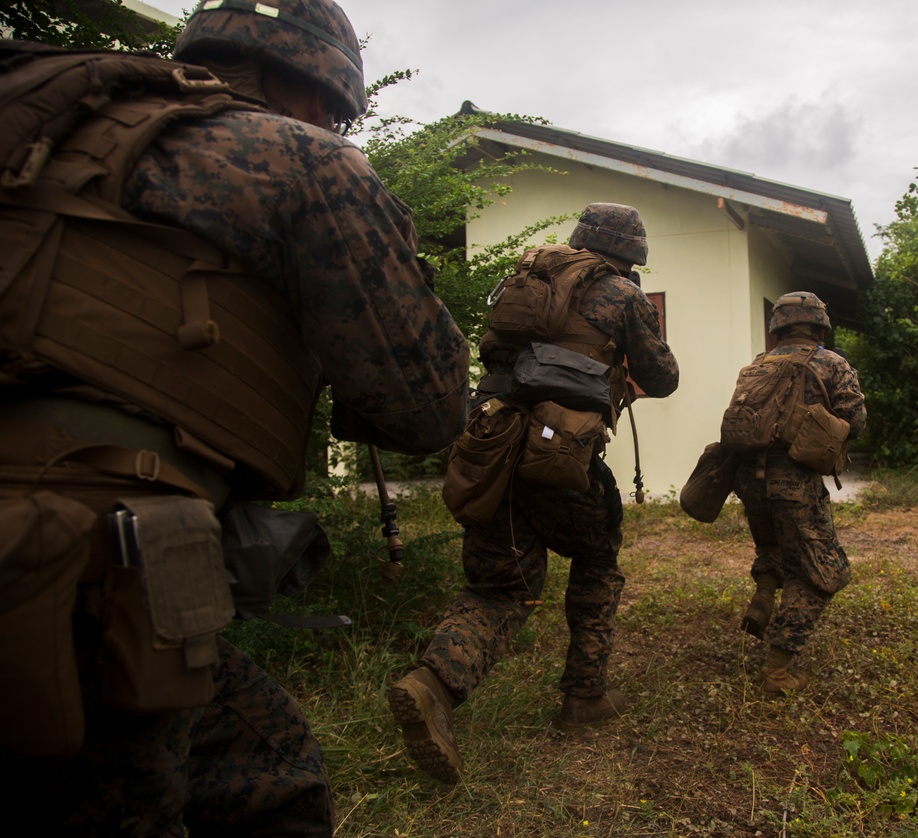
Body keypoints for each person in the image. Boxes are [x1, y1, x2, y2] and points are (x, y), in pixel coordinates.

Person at [0, 0, 469, 834]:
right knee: (256, 793)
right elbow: (424, 405)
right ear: (308, 85)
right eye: (335, 109)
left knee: (264, 765)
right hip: (95, 559)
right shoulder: (299, 158)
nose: (333, 124)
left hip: (52, 553)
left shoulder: (47, 141)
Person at [388, 203, 679, 784]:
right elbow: (665, 377)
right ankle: (583, 696)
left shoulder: (526, 278)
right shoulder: (620, 294)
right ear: (632, 251)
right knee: (596, 561)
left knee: (499, 587)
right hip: (560, 456)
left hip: (493, 445)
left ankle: (431, 685)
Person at [733, 292, 866, 695]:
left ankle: (763, 596)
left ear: (777, 329)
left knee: (774, 545)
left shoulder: (757, 365)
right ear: (819, 326)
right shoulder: (831, 363)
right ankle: (776, 672)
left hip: (749, 479)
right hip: (796, 483)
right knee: (823, 573)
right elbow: (856, 421)